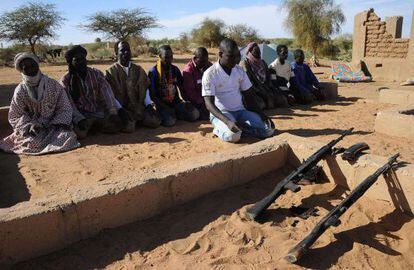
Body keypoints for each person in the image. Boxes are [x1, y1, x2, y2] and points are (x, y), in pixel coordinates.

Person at [0, 53, 79, 155]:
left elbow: (64, 107)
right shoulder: (20, 90)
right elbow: (15, 115)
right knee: (32, 142)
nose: (31, 70)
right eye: (26, 68)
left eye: (33, 66)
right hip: (33, 130)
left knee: (67, 136)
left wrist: (57, 123)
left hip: (53, 127)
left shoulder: (53, 84)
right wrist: (29, 126)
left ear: (37, 65)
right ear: (21, 70)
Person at [202, 38, 275, 143]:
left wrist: (262, 115)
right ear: (220, 54)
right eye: (231, 56)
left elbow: (249, 96)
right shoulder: (210, 74)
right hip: (222, 114)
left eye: (237, 55)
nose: (235, 59)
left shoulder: (239, 71)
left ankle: (241, 130)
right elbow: (209, 104)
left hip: (240, 112)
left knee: (269, 130)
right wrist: (227, 122)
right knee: (233, 136)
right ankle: (220, 129)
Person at [61, 45, 126, 139]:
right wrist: (79, 119)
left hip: (98, 113)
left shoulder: (96, 74)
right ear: (71, 62)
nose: (81, 62)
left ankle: (96, 126)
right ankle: (93, 126)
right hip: (81, 116)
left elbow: (108, 95)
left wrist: (113, 112)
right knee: (80, 134)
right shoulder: (65, 80)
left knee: (121, 125)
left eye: (83, 59)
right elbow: (69, 105)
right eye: (77, 60)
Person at [106, 41, 161, 132]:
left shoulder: (138, 69)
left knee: (155, 122)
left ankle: (139, 119)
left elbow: (145, 87)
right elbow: (110, 94)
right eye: (122, 50)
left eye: (128, 50)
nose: (126, 53)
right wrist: (120, 109)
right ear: (116, 53)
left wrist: (148, 105)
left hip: (138, 107)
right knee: (129, 127)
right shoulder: (111, 72)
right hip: (122, 108)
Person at [148, 45, 199, 127]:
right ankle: (173, 115)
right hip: (162, 105)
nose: (169, 60)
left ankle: (176, 114)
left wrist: (187, 101)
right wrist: (166, 108)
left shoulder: (175, 69)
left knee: (195, 114)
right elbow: (152, 96)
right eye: (166, 57)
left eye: (171, 56)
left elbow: (182, 87)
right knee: (170, 122)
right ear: (160, 56)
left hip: (176, 103)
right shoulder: (153, 72)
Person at [241, 42, 289, 109]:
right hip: (254, 90)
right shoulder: (245, 64)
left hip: (265, 88)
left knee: (282, 100)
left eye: (259, 51)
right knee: (261, 105)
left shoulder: (263, 62)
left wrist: (269, 89)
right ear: (250, 52)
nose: (258, 53)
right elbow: (249, 82)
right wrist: (260, 91)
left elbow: (268, 79)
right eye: (256, 51)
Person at [182, 47, 212, 120]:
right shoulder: (188, 70)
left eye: (206, 61)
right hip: (194, 101)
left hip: (206, 98)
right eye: (202, 61)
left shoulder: (207, 65)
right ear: (195, 58)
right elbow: (191, 93)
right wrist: (205, 103)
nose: (204, 64)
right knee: (195, 115)